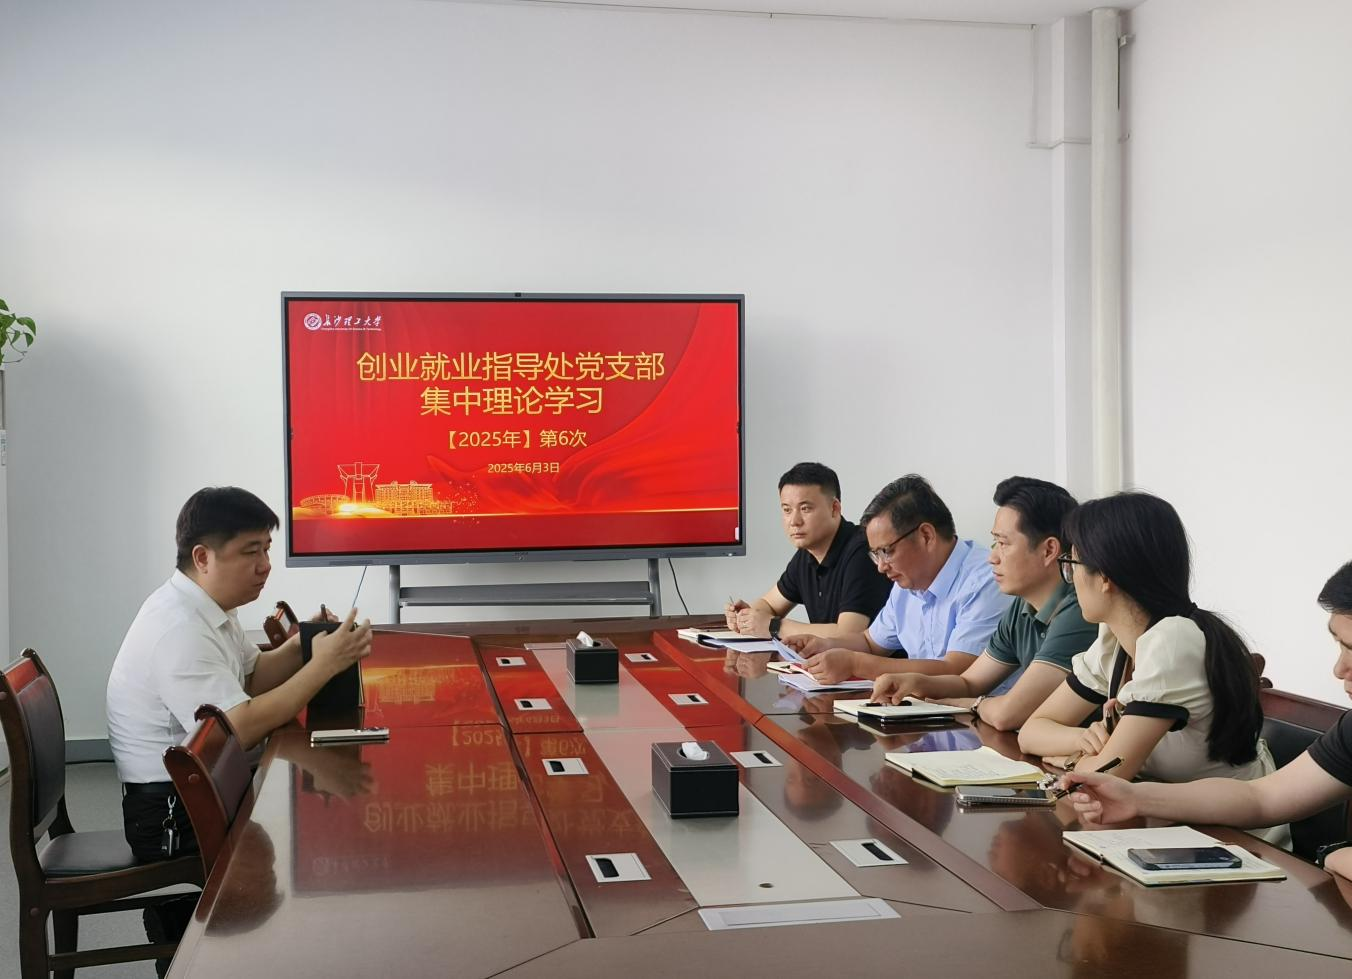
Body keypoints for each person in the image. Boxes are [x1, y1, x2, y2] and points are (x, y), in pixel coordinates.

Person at [106, 487, 372, 968]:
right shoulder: (178, 628)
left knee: (307, 798)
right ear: (202, 557)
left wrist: (304, 644)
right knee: (311, 820)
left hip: (198, 787)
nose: (265, 565)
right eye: (251, 552)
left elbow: (251, 678)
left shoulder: (208, 607)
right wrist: (324, 665)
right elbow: (239, 728)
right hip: (169, 813)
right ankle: (191, 934)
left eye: (266, 550)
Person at [1063, 560, 1352, 882]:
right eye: (1339, 646)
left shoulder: (1175, 639)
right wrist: (1134, 798)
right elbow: (1261, 798)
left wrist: (1338, 856)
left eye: (1351, 648)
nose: (1339, 669)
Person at [1017, 493, 1281, 837]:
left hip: (1233, 840)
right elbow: (1030, 733)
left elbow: (1106, 776)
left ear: (1105, 577)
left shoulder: (1174, 640)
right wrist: (1085, 739)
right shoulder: (1114, 639)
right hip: (1161, 827)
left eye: (1072, 564)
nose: (1071, 578)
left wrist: (1073, 759)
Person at [870, 476, 1098, 731]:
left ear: (1049, 550)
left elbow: (1008, 714)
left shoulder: (1078, 609)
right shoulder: (1022, 607)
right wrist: (917, 683)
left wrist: (970, 704)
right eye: (994, 543)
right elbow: (969, 683)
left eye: (1003, 544)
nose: (992, 558)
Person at [785, 474, 1011, 683]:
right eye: (876, 554)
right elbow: (871, 643)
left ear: (926, 536)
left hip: (976, 710)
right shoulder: (908, 581)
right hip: (923, 707)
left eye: (887, 551)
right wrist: (824, 645)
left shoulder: (986, 581)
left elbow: (958, 671)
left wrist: (856, 664)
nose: (881, 567)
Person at [725, 462, 890, 639]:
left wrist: (774, 626)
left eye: (805, 509)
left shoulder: (863, 551)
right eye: (787, 510)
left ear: (834, 508)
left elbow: (849, 634)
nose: (794, 521)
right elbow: (769, 604)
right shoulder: (807, 554)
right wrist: (746, 618)